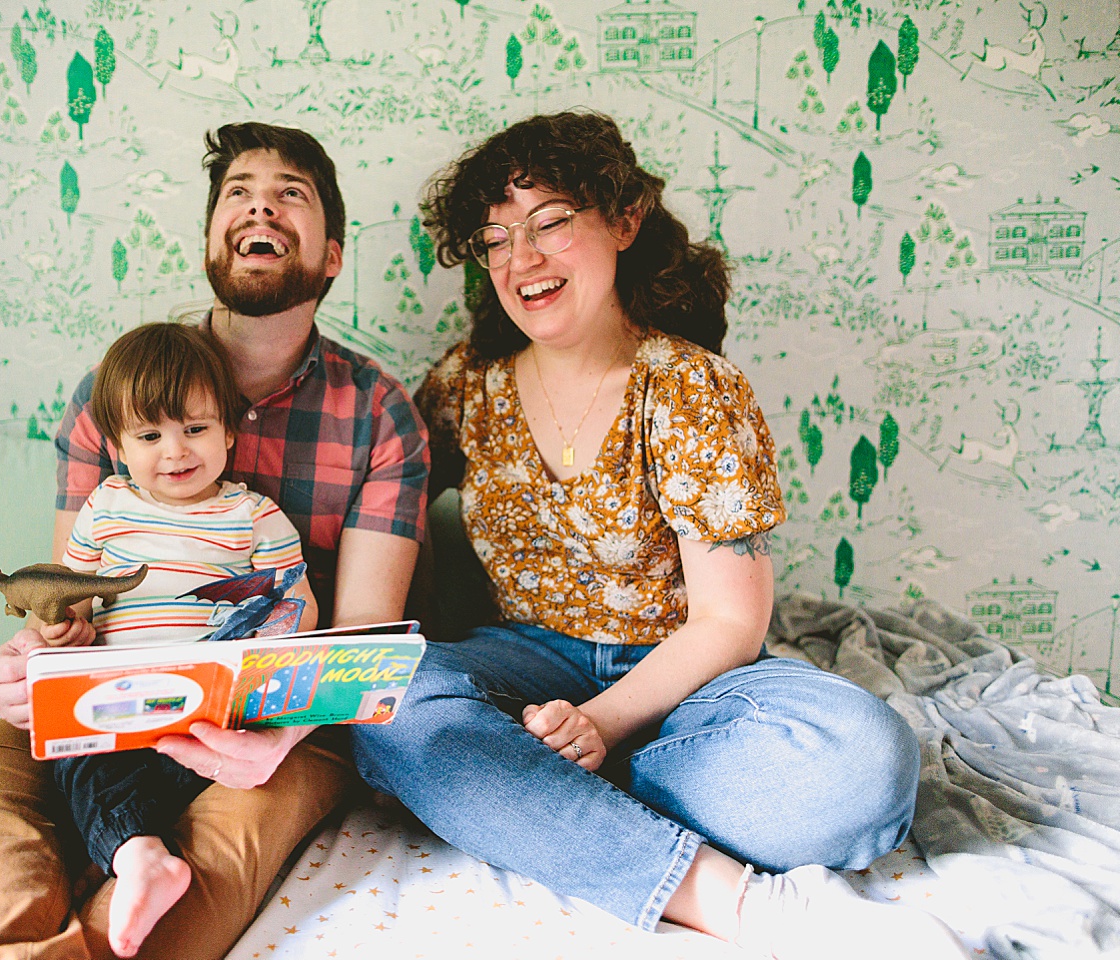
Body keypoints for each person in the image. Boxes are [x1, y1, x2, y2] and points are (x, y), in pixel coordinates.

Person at [349, 110, 966, 960]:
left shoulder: (692, 387)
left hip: (685, 682)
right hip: (523, 665)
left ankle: (531, 796)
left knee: (864, 764)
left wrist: (598, 725)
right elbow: (387, 523)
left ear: (623, 221)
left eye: (551, 223)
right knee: (387, 708)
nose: (521, 259)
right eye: (495, 240)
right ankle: (717, 897)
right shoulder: (465, 386)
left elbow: (729, 623)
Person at [0, 122, 429, 960]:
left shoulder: (378, 413)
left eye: (289, 192)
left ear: (331, 255)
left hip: (277, 716)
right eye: (239, 191)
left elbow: (360, 640)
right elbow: (75, 598)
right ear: (211, 239)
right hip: (115, 692)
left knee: (219, 843)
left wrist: (274, 739)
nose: (260, 201)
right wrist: (35, 650)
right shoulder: (113, 393)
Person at [49, 322, 319, 957]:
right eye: (150, 435)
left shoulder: (253, 516)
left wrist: (272, 646)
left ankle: (127, 851)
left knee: (171, 770)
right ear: (117, 446)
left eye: (194, 429)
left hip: (206, 708)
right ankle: (140, 856)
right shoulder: (106, 507)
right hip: (114, 703)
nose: (175, 451)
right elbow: (73, 597)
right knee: (72, 754)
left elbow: (300, 610)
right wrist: (62, 625)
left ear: (229, 430)